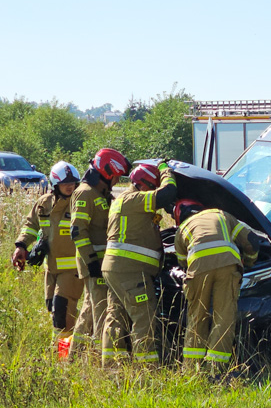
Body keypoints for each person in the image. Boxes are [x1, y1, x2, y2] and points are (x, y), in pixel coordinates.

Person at [101, 161, 176, 367]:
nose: (153, 192)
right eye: (153, 187)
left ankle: (113, 368)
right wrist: (165, 170)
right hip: (130, 271)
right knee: (144, 317)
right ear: (144, 185)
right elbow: (167, 193)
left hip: (118, 269)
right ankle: (147, 370)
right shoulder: (134, 199)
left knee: (116, 317)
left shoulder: (123, 200)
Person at [172, 199, 259, 370]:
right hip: (227, 266)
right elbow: (252, 240)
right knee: (224, 316)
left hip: (198, 268)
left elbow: (182, 263)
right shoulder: (222, 215)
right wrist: (249, 261)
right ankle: (216, 368)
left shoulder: (182, 229)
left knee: (197, 316)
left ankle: (191, 368)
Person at [11, 161, 84, 349]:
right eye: (65, 183)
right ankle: (59, 352)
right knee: (52, 309)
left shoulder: (80, 203)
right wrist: (21, 245)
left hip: (73, 269)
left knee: (63, 310)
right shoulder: (44, 203)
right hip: (51, 269)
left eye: (73, 182)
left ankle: (64, 357)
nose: (70, 186)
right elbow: (30, 225)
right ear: (55, 184)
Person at [68, 148, 132, 360]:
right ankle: (97, 359)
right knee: (101, 312)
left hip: (101, 262)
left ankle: (74, 357)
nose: (116, 181)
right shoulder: (85, 193)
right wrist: (91, 262)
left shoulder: (100, 194)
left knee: (88, 309)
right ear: (106, 173)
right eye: (115, 177)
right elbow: (77, 231)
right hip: (93, 263)